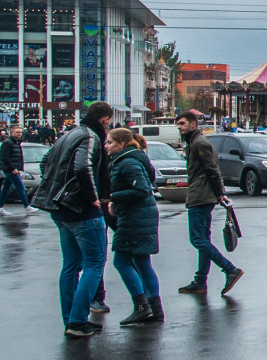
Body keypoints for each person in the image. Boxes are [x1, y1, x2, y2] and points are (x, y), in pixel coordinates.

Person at [33, 101, 114, 336]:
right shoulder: (90, 137)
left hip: (60, 209)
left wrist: (57, 188)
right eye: (109, 121)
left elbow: (46, 162)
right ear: (105, 119)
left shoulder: (69, 134)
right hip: (81, 210)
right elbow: (82, 166)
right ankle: (78, 320)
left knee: (70, 266)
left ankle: (70, 318)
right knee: (94, 263)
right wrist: (92, 198)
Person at [174, 110, 244, 295]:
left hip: (201, 195)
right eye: (178, 124)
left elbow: (212, 169)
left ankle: (230, 269)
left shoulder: (199, 143)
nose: (180, 127)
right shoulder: (194, 142)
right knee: (203, 239)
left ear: (193, 125)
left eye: (182, 124)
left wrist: (220, 193)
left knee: (197, 238)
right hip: (203, 193)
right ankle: (200, 280)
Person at [105, 127, 162, 326]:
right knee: (142, 262)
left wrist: (112, 198)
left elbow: (141, 189)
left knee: (121, 261)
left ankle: (141, 306)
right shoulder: (134, 158)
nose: (106, 146)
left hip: (135, 218)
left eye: (110, 142)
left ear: (121, 144)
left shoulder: (127, 161)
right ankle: (155, 308)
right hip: (142, 215)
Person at [0, 123, 31, 214]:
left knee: (6, 188)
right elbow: (5, 157)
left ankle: (0, 207)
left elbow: (19, 157)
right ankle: (27, 206)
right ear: (12, 133)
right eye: (17, 132)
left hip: (13, 169)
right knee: (20, 186)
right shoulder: (8, 143)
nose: (19, 134)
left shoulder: (16, 143)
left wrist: (20, 168)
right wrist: (13, 168)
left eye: (20, 132)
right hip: (10, 170)